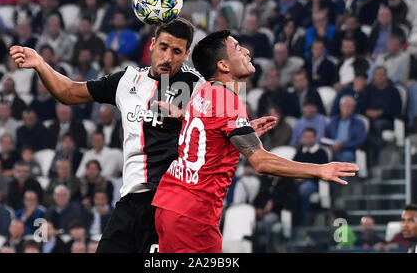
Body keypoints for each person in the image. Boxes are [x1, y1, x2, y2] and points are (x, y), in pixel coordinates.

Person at [10, 18, 271, 253]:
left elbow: (219, 127)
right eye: (164, 47)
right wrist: (40, 65)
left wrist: (238, 128)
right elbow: (69, 92)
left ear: (187, 54)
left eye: (177, 51)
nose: (168, 57)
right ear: (152, 45)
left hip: (167, 203)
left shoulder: (200, 87)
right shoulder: (127, 80)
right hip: (129, 202)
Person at [152, 30, 358, 253]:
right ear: (223, 65)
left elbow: (203, 128)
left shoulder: (203, 91)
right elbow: (261, 162)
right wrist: (319, 170)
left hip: (169, 204)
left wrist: (244, 130)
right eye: (238, 48)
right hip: (193, 216)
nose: (247, 52)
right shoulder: (227, 101)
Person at [293, 127, 329, 226]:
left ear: (315, 138)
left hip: (314, 182)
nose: (307, 139)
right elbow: (292, 167)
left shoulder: (321, 153)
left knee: (304, 190)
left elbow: (324, 172)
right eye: (305, 136)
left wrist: (305, 177)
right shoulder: (299, 152)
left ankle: (303, 221)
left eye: (310, 137)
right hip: (297, 180)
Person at [325, 96, 367, 162]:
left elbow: (361, 140)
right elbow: (327, 136)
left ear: (353, 108)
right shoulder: (333, 121)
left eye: (350, 106)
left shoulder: (358, 123)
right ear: (340, 106)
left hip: (348, 150)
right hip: (332, 149)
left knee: (346, 157)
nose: (347, 108)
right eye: (345, 105)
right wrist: (331, 145)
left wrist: (343, 145)